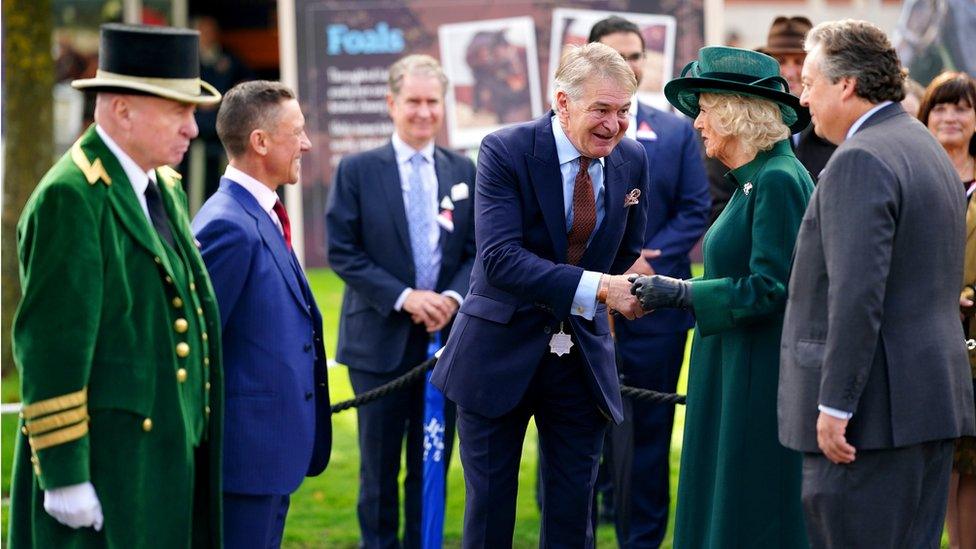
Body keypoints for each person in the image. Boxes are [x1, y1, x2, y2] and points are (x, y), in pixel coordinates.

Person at [8, 24, 224, 547]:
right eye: (179, 111)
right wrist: (64, 474)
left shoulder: (161, 184)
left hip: (162, 456)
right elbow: (51, 348)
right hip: (109, 464)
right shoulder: (72, 198)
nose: (193, 130)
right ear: (123, 109)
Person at [431, 42, 649, 547]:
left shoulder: (632, 158)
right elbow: (499, 259)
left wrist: (589, 292)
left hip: (581, 357)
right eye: (601, 110)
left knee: (575, 514)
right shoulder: (505, 149)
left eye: (624, 111)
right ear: (562, 101)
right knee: (489, 515)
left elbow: (626, 246)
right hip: (496, 354)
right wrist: (595, 288)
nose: (614, 125)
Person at [778, 20, 975, 548]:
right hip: (927, 408)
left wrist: (835, 405)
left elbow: (857, 296)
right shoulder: (925, 147)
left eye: (811, 81)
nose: (803, 96)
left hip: (870, 421)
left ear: (845, 84)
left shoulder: (862, 158)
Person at [632, 46, 814, 548]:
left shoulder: (778, 179)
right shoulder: (752, 180)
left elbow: (770, 288)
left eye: (705, 110)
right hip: (734, 365)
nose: (697, 125)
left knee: (752, 506)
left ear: (737, 111)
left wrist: (681, 293)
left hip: (755, 376)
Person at [326, 54, 476, 548]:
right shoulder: (357, 170)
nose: (423, 112)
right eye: (412, 101)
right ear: (392, 103)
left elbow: (480, 249)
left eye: (432, 101)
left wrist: (451, 297)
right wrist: (406, 297)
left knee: (431, 462)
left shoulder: (464, 170)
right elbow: (343, 252)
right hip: (378, 345)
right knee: (379, 471)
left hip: (445, 345)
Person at [587, 15, 711, 547]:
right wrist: (610, 267)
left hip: (658, 302)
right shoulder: (565, 132)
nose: (629, 65)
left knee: (652, 427)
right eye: (616, 55)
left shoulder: (677, 131)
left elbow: (695, 208)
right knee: (580, 423)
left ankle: (643, 536)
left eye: (636, 55)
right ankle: (582, 523)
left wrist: (642, 261)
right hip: (584, 303)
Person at [191, 80, 332, 548]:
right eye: (298, 132)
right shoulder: (228, 226)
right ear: (260, 141)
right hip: (245, 461)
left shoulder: (259, 211)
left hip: (269, 456)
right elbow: (198, 349)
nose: (306, 144)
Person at [916, 70, 976, 549]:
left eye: (962, 107)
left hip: (975, 347)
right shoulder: (910, 170)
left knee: (970, 469)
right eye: (941, 106)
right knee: (931, 466)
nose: (951, 116)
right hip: (920, 345)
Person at [757, 15, 837, 183]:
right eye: (781, 61)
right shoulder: (747, 122)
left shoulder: (835, 124)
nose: (790, 73)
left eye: (800, 62)